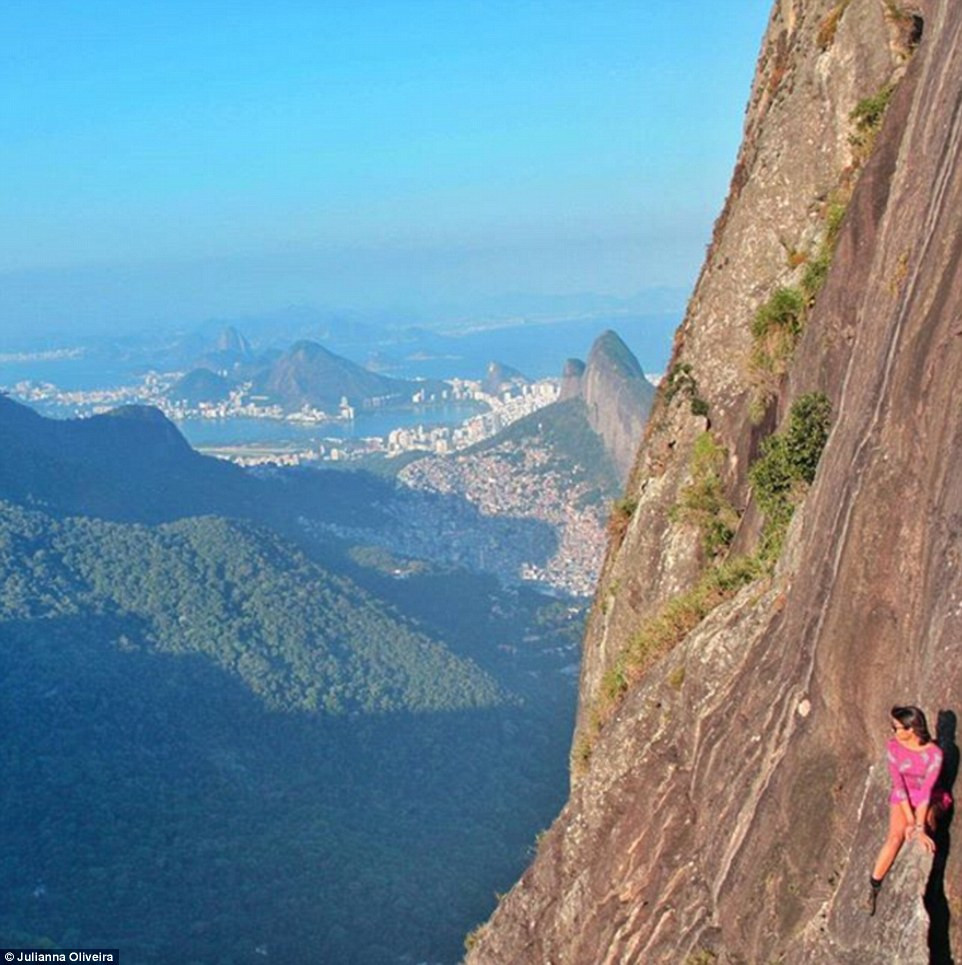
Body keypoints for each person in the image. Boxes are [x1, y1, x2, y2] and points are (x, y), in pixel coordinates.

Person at [865, 705, 945, 915]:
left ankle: (932, 884)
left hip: (927, 797)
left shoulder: (934, 754)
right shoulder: (894, 747)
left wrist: (919, 828)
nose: (894, 732)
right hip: (903, 796)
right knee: (894, 838)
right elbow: (898, 785)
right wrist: (909, 821)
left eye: (898, 728)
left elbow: (927, 791)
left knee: (926, 828)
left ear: (912, 729)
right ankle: (874, 886)